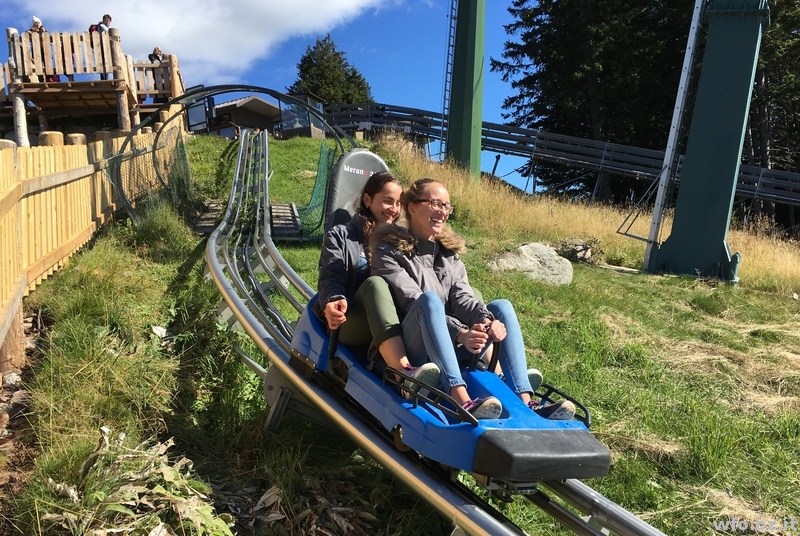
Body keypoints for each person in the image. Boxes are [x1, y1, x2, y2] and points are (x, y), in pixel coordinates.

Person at [369, 178, 576, 420]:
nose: (443, 212)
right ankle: (461, 399)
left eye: (447, 206)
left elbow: (463, 297)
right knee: (428, 300)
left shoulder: (450, 257)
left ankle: (525, 401)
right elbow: (411, 300)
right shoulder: (387, 251)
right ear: (412, 208)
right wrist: (460, 333)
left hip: (449, 346)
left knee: (502, 308)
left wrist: (487, 321)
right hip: (414, 347)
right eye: (435, 203)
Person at [313, 171, 440, 397]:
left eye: (398, 203)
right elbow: (331, 274)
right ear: (367, 199)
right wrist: (333, 299)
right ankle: (403, 373)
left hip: (394, 320)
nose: (394, 209)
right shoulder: (342, 236)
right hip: (352, 320)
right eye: (387, 201)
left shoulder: (401, 240)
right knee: (376, 284)